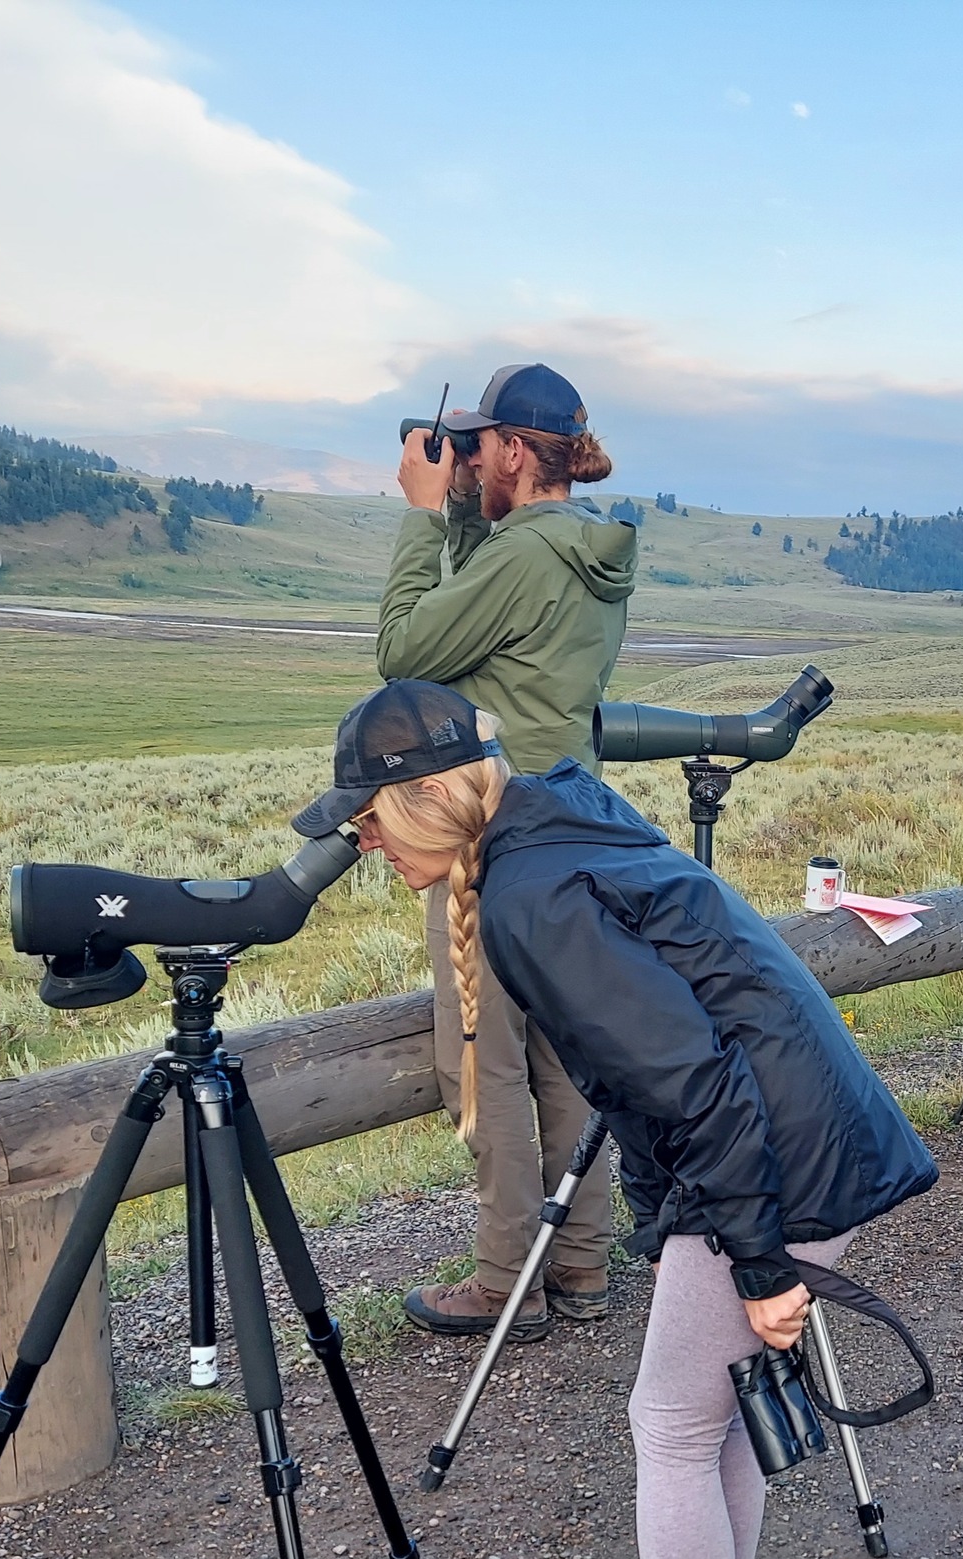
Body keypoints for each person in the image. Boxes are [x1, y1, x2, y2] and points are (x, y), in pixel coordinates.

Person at [292, 679, 940, 1559]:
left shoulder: (528, 895)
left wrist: (758, 1261)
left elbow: (691, 1076)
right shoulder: (555, 819)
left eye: (371, 814)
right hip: (793, 1131)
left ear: (433, 795)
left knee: (674, 1426)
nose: (363, 838)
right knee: (721, 1412)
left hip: (771, 1155)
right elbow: (670, 1051)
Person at [378, 364, 638, 1341]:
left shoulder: (524, 556)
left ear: (518, 452)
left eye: (479, 446)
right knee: (566, 1054)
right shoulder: (584, 550)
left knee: (483, 1055)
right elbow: (504, 628)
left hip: (491, 829)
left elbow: (406, 652)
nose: (465, 459)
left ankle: (505, 1277)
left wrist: (419, 516)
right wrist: (465, 513)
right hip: (569, 817)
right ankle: (576, 1264)